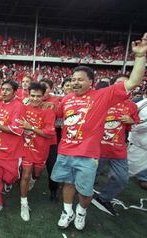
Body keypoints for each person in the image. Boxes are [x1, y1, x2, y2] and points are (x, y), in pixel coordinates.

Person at [51, 32, 147, 231]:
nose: (75, 82)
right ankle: (67, 211)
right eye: (73, 79)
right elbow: (56, 114)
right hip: (65, 151)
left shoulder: (102, 96)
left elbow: (132, 83)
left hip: (87, 155)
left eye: (80, 79)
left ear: (90, 82)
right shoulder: (67, 99)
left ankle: (81, 212)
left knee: (84, 191)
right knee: (67, 185)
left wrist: (140, 57)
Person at [92, 75, 139, 216]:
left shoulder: (132, 106)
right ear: (114, 86)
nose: (124, 85)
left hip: (118, 149)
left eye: (127, 82)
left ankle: (103, 198)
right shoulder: (103, 100)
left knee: (121, 178)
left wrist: (131, 120)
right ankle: (84, 194)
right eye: (120, 83)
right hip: (98, 148)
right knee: (91, 175)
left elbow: (134, 122)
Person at [18, 82, 56, 221]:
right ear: (28, 94)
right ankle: (24, 203)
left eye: (38, 96)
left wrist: (31, 127)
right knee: (26, 175)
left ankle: (33, 180)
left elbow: (49, 134)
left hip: (41, 149)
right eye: (32, 95)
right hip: (26, 147)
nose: (35, 98)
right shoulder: (23, 108)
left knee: (37, 173)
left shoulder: (48, 111)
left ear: (43, 96)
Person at [0, 80, 24, 218]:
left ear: (15, 92)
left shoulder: (19, 106)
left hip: (12, 152)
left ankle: (9, 182)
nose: (4, 92)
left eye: (8, 90)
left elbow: (16, 130)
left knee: (10, 177)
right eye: (2, 89)